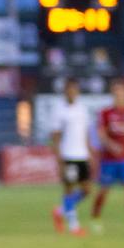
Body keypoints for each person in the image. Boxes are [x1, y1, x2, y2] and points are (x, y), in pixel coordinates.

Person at [91, 79, 124, 231]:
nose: (119, 93)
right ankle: (96, 217)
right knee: (104, 189)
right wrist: (111, 145)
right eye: (116, 90)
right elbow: (101, 134)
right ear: (112, 93)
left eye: (122, 90)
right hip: (109, 159)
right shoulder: (106, 113)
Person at [49, 79, 92, 236]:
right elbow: (55, 136)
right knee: (69, 189)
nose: (72, 92)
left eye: (75, 90)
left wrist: (90, 153)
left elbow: (85, 133)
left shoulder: (82, 109)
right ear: (65, 91)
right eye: (70, 90)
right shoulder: (59, 110)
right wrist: (59, 157)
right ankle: (74, 226)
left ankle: (60, 211)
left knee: (87, 190)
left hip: (82, 155)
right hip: (69, 156)